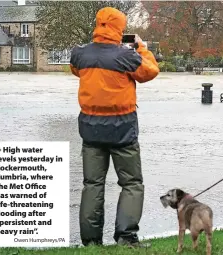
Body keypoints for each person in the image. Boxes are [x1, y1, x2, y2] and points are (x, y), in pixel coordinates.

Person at [69, 7, 159, 247]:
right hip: (123, 131)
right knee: (131, 183)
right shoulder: (126, 56)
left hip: (90, 130)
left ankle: (90, 242)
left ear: (98, 25)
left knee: (92, 184)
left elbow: (77, 70)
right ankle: (126, 238)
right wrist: (141, 47)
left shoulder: (80, 54)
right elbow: (150, 71)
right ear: (119, 28)